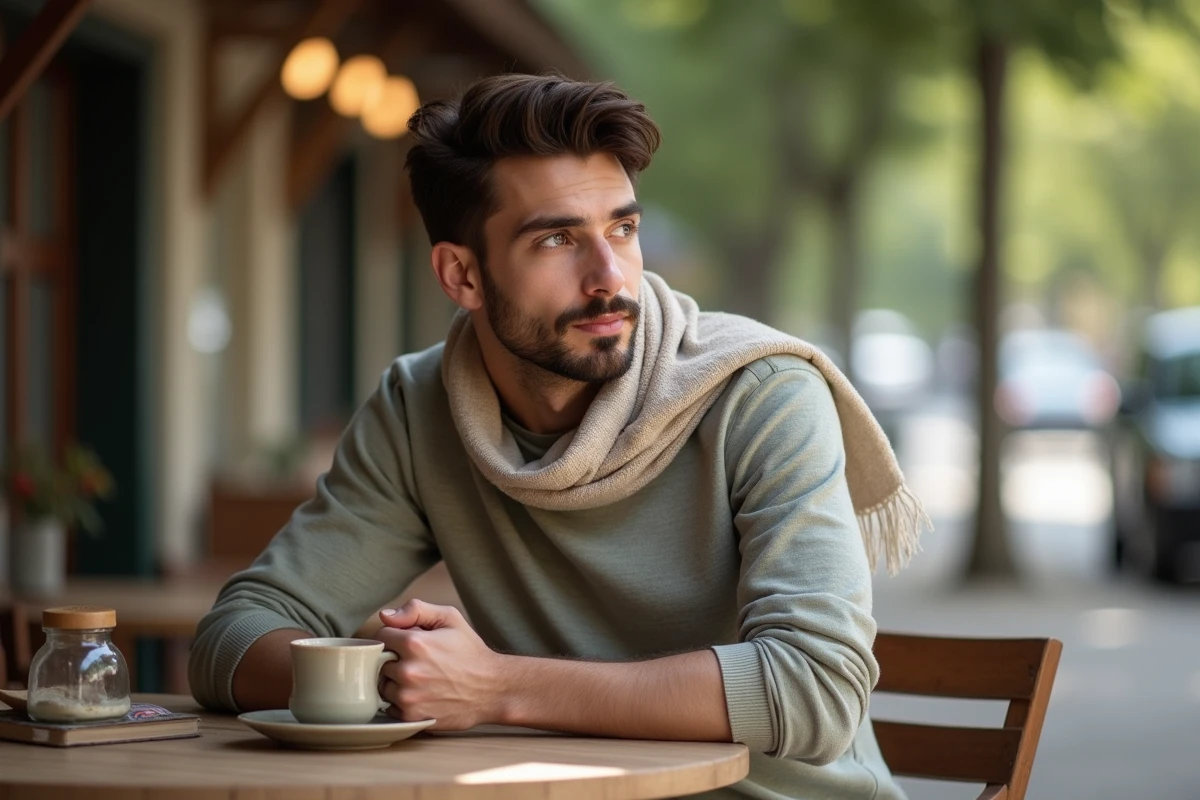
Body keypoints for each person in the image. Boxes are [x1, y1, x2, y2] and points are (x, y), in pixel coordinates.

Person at [189, 73, 928, 799]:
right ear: (462, 276)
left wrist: (496, 687)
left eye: (624, 228)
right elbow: (233, 638)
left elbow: (817, 692)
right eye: (556, 241)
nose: (610, 276)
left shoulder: (757, 395)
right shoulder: (421, 408)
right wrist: (405, 674)